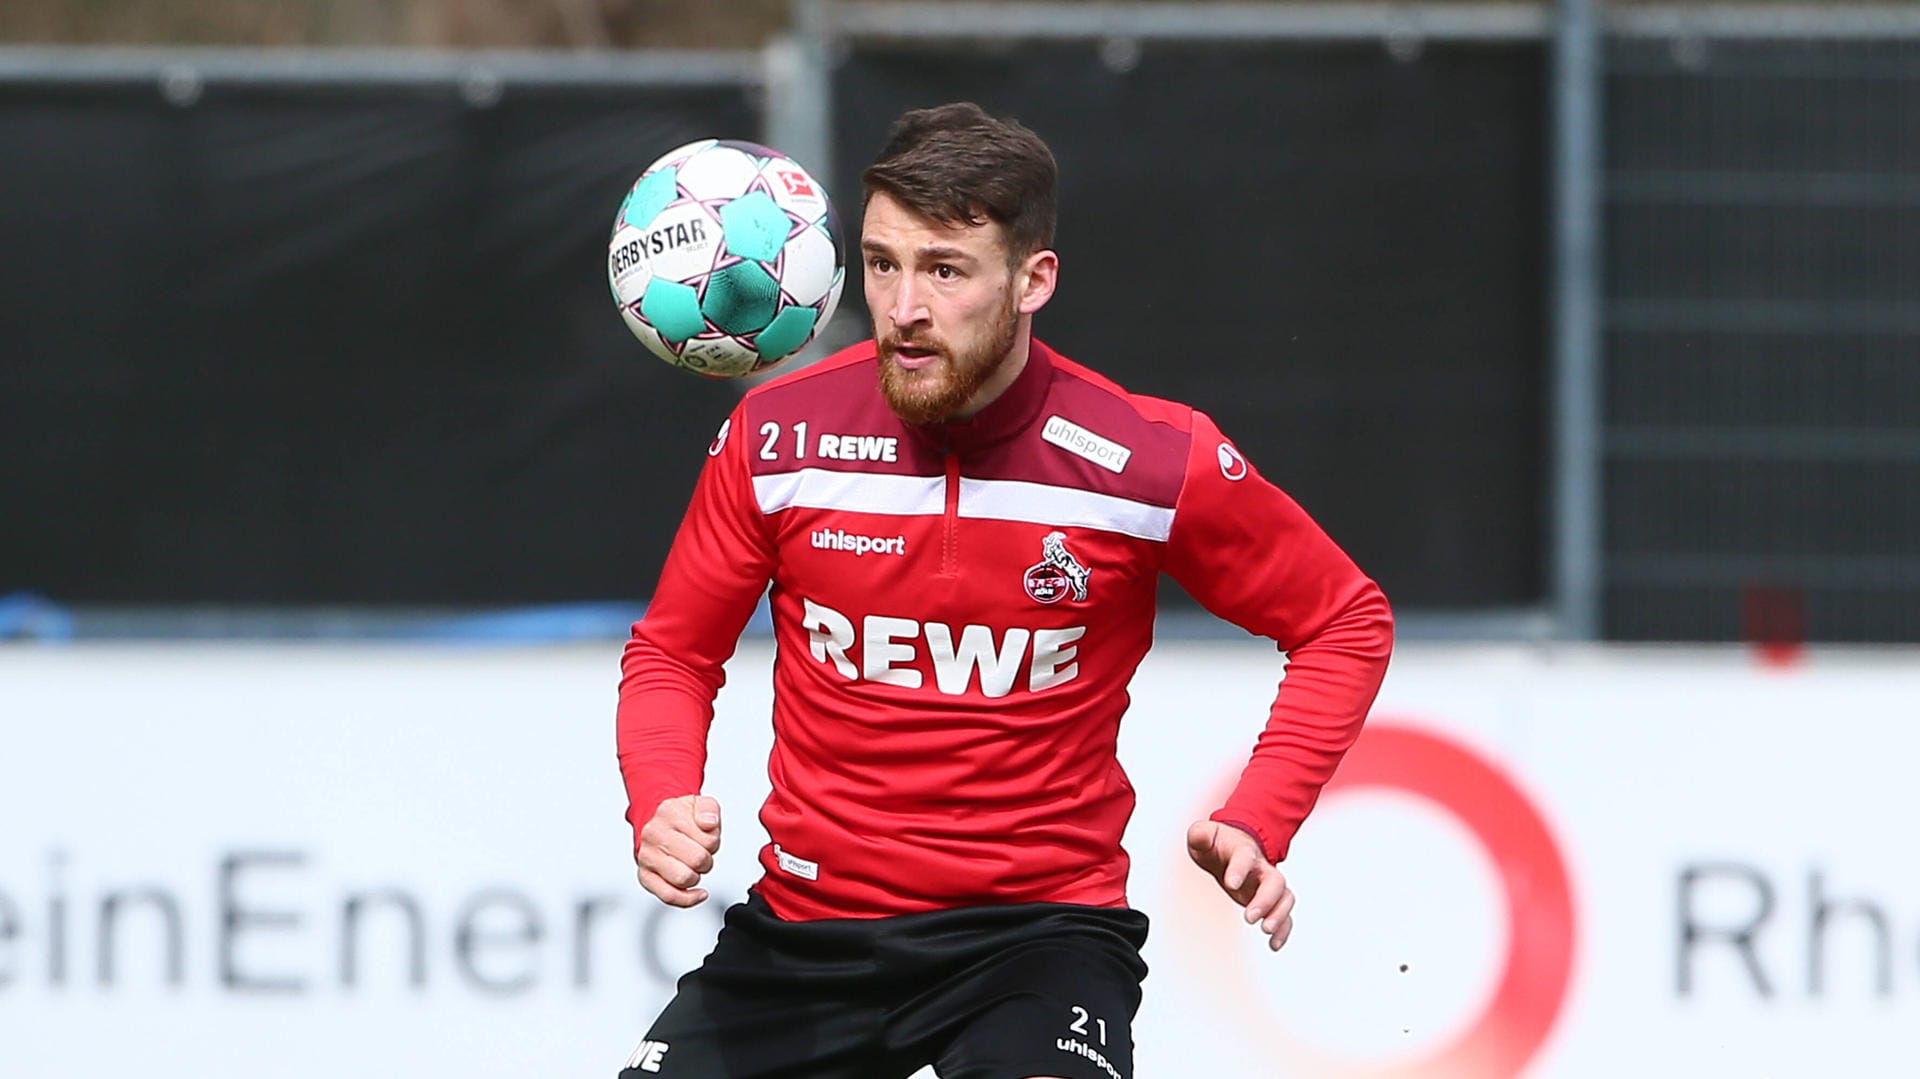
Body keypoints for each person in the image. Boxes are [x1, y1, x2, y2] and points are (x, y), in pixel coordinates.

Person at [614, 102, 1393, 1079]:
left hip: (1038, 940)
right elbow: (673, 651)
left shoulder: (1148, 461)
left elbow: (1343, 620)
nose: (903, 306)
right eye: (884, 262)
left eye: (943, 269)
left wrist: (1258, 813)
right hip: (805, 938)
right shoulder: (777, 437)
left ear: (1034, 279)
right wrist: (660, 795)